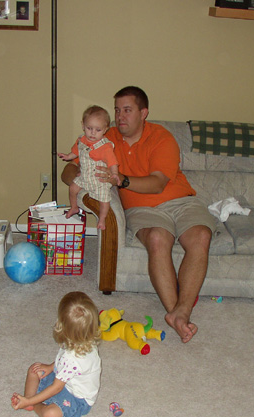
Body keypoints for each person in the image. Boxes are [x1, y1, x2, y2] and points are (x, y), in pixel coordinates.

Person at [61, 86, 215, 344]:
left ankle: (180, 313)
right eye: (117, 110)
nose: (120, 116)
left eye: (127, 110)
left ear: (143, 113)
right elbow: (72, 166)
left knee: (200, 236)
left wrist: (121, 180)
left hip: (180, 201)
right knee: (157, 239)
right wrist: (75, 178)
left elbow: (157, 183)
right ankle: (177, 314)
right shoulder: (103, 138)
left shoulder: (162, 138)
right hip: (141, 208)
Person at [11, 291, 102, 417]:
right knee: (34, 369)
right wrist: (49, 367)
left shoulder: (72, 357)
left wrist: (31, 400)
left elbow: (56, 387)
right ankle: (31, 399)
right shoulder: (83, 339)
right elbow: (66, 364)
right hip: (64, 379)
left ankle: (32, 402)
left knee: (51, 414)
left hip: (78, 398)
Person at [58, 105, 119, 230]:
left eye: (98, 130)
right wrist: (68, 156)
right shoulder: (81, 140)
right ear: (83, 125)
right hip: (84, 176)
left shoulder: (105, 147)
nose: (92, 133)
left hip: (99, 180)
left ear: (105, 129)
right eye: (89, 128)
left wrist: (114, 174)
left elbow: (113, 162)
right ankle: (74, 207)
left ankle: (102, 219)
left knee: (104, 200)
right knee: (72, 189)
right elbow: (75, 152)